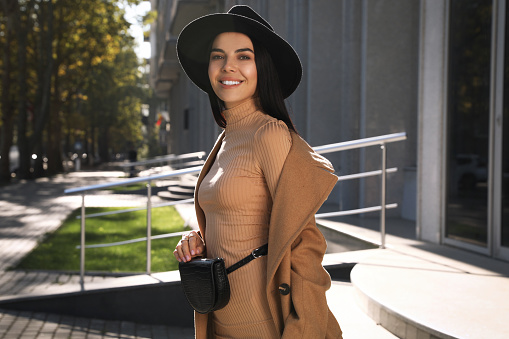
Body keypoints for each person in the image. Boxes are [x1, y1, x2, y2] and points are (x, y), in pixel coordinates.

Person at [173, 5, 342, 339]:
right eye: (217, 56)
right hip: (220, 321)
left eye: (243, 56)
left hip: (264, 326)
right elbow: (238, 223)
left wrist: (302, 330)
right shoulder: (227, 138)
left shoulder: (269, 134)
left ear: (262, 67)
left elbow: (305, 243)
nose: (228, 66)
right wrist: (196, 242)